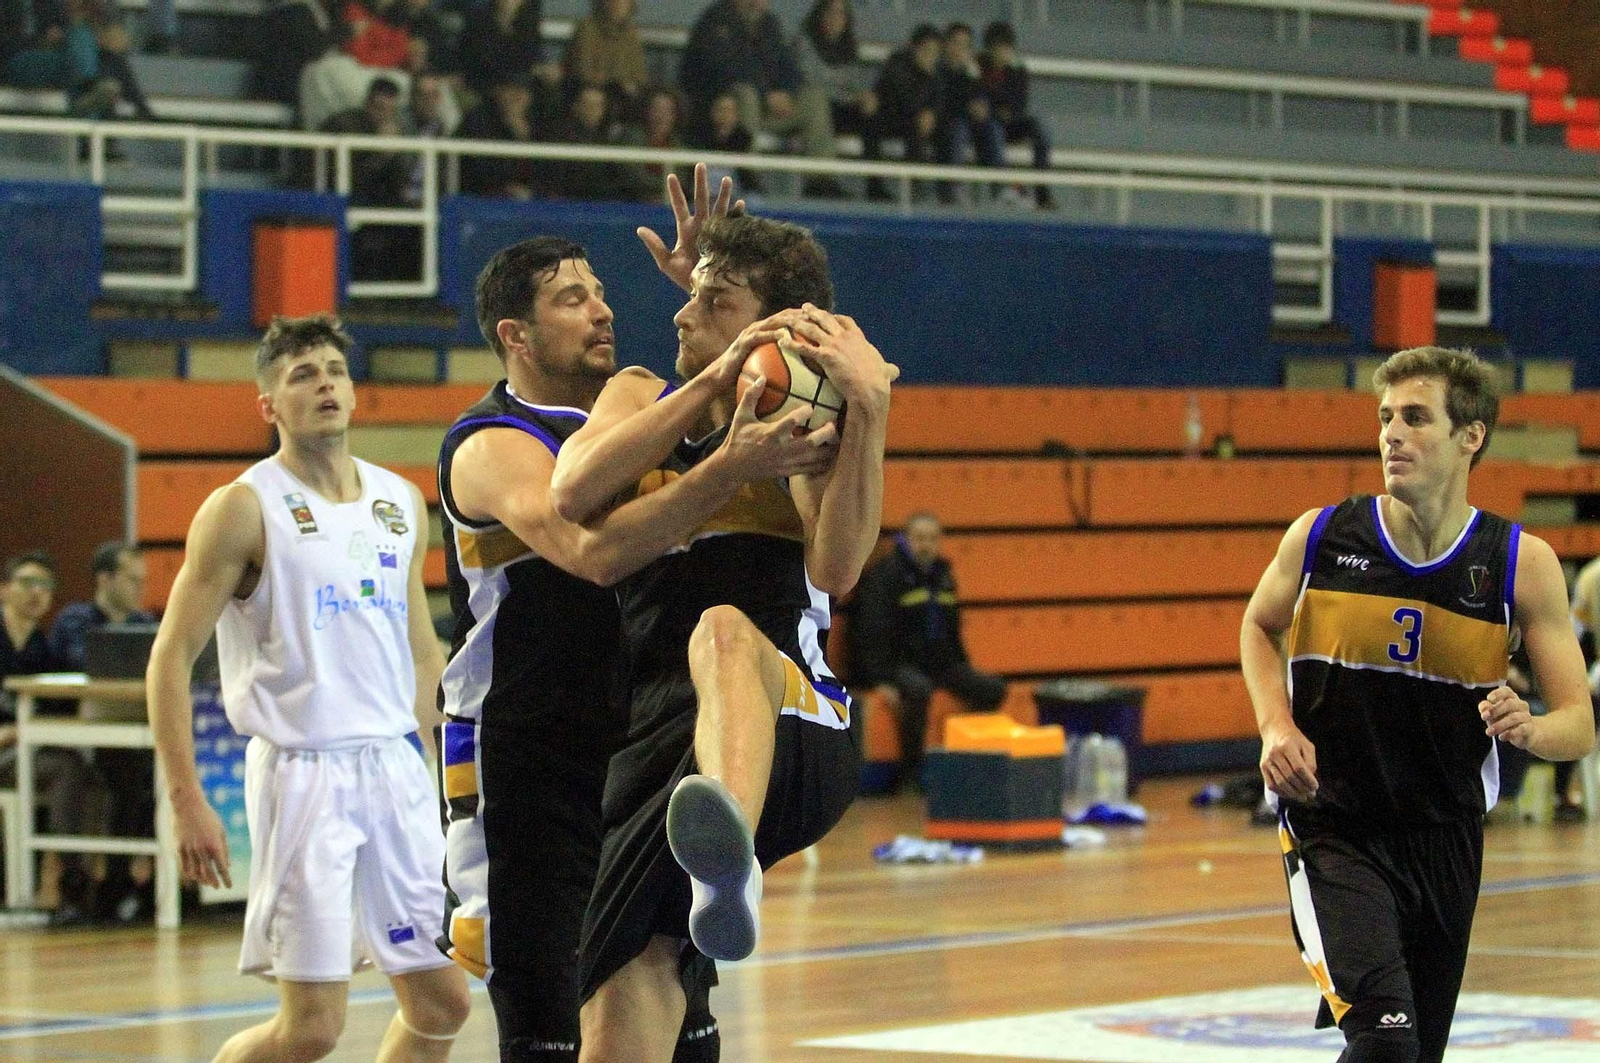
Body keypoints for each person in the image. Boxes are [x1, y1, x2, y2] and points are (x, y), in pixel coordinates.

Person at [437, 178, 822, 1060]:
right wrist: (726, 465)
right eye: (574, 299)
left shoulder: (625, 419)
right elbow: (599, 552)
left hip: (631, 745)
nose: (603, 310)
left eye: (604, 292)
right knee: (547, 1028)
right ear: (516, 335)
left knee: (682, 1024)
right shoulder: (497, 441)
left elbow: (696, 388)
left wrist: (710, 295)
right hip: (524, 757)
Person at [551, 207, 895, 1062]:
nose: (680, 313)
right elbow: (572, 491)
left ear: (776, 327)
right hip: (656, 736)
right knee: (618, 1007)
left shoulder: (809, 424)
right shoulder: (642, 392)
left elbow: (839, 571)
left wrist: (870, 415)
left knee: (724, 633)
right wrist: (714, 386)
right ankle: (712, 857)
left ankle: (726, 853)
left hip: (795, 719)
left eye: (713, 301)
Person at [1240, 346, 1595, 1063]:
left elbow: (1578, 724)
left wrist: (1530, 728)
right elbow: (1257, 623)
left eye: (1414, 417)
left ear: (1472, 436)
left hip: (1446, 836)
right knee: (1386, 1040)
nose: (1391, 434)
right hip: (1333, 825)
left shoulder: (1518, 563)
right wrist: (1275, 723)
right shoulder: (1322, 536)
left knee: (1413, 1055)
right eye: (1384, 418)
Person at [147, 314, 471, 1063]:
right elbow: (169, 657)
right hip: (304, 774)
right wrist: (185, 798)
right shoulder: (242, 507)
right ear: (269, 405)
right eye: (302, 374)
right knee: (312, 1029)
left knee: (443, 999)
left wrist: (449, 778)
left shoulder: (397, 502)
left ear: (355, 393)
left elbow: (423, 651)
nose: (324, 382)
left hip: (396, 769)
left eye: (334, 369)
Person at [847, 511, 1006, 786]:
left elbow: (953, 631)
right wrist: (880, 679)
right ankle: (912, 773)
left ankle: (970, 761)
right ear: (906, 540)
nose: (926, 545)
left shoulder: (943, 576)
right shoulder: (886, 576)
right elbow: (870, 632)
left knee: (992, 689)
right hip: (898, 665)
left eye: (932, 539)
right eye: (919, 538)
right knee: (918, 690)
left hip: (940, 664)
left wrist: (963, 666)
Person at [47, 540, 157, 923]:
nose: (140, 590)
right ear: (105, 578)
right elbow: (81, 662)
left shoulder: (144, 625)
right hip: (84, 733)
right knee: (121, 775)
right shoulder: (76, 620)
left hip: (134, 730)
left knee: (152, 775)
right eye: (131, 580)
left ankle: (150, 884)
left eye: (143, 582)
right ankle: (98, 884)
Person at [0, 551, 107, 919]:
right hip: (7, 751)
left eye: (45, 586)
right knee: (68, 770)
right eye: (27, 583)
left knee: (87, 773)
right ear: (4, 589)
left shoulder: (45, 649)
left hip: (26, 751)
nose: (37, 593)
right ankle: (73, 887)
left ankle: (88, 886)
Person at [678, 0, 840, 195]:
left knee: (814, 100)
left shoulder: (769, 25)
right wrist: (766, 95)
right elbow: (724, 70)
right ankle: (748, 175)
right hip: (724, 109)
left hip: (769, 109)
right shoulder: (715, 21)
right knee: (747, 95)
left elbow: (788, 66)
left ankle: (821, 182)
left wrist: (787, 92)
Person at [978, 20, 1054, 209]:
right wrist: (998, 107)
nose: (1003, 52)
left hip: (1012, 122)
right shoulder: (978, 68)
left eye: (1006, 48)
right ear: (990, 49)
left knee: (1041, 128)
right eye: (998, 48)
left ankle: (1041, 190)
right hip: (986, 125)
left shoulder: (1018, 71)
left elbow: (1019, 103)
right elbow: (978, 98)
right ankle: (1003, 187)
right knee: (994, 128)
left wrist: (1002, 104)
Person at [869, 23, 944, 201]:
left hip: (910, 123)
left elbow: (939, 102)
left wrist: (931, 113)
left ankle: (925, 189)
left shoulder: (937, 72)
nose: (930, 56)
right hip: (887, 117)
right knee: (874, 126)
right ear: (914, 48)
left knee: (940, 130)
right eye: (926, 50)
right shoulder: (897, 64)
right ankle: (875, 188)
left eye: (934, 52)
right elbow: (905, 101)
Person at [563, 0, 647, 125]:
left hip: (622, 94)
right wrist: (614, 79)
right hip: (588, 88)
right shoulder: (587, 29)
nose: (618, 6)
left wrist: (631, 84)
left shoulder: (631, 34)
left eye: (624, 2)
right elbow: (583, 69)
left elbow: (638, 74)